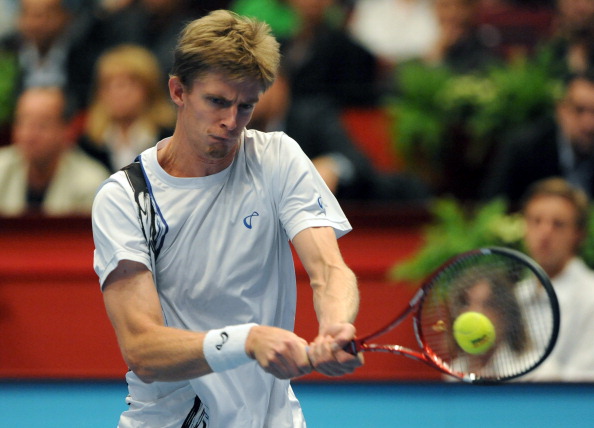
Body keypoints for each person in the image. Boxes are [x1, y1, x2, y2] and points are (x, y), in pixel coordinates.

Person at [92, 10, 362, 427]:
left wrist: (335, 327)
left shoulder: (277, 157)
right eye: (217, 101)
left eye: (246, 106)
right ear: (178, 90)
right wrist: (247, 340)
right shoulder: (126, 198)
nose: (230, 122)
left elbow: (330, 270)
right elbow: (142, 350)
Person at [518, 177, 594, 381]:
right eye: (536, 221)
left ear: (579, 234)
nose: (545, 232)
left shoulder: (591, 297)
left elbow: (585, 381)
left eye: (558, 224)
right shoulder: (514, 297)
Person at [481, 69, 594, 204]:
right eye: (579, 110)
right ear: (561, 109)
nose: (589, 124)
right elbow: (493, 206)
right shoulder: (524, 149)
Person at [0, 86, 110, 216]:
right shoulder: (3, 167)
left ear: (68, 130)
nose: (29, 135)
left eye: (42, 125)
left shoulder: (91, 183)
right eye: (22, 122)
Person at [78, 44, 176, 172]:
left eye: (126, 83)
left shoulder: (169, 140)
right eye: (107, 84)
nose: (117, 92)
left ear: (149, 88)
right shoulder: (88, 145)